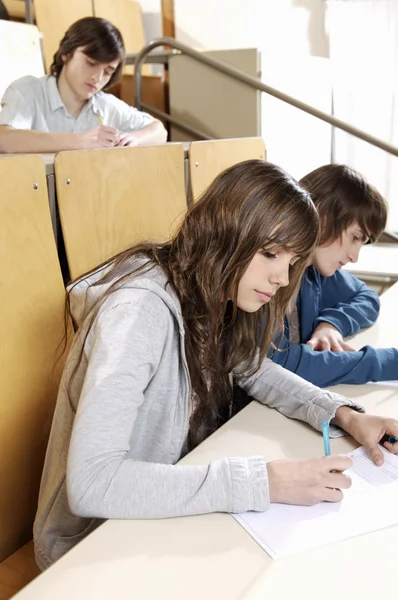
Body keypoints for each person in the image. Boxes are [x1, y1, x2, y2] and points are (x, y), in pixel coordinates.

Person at [33, 160, 398, 571]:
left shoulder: (211, 291)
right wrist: (266, 481)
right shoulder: (139, 312)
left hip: (162, 515)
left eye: (292, 261)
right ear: (226, 232)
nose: (281, 277)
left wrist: (344, 415)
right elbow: (93, 482)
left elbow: (253, 369)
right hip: (93, 547)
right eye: (269, 253)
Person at [269, 164, 397, 387]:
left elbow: (367, 297)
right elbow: (283, 366)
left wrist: (332, 324)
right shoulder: (267, 273)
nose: (354, 256)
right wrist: (389, 363)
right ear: (323, 214)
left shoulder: (313, 271)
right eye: (355, 238)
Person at [0, 17, 167, 153]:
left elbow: (159, 131)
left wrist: (135, 139)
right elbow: (4, 139)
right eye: (91, 63)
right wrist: (81, 141)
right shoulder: (27, 91)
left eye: (108, 71)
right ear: (66, 53)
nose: (97, 77)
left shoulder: (105, 105)